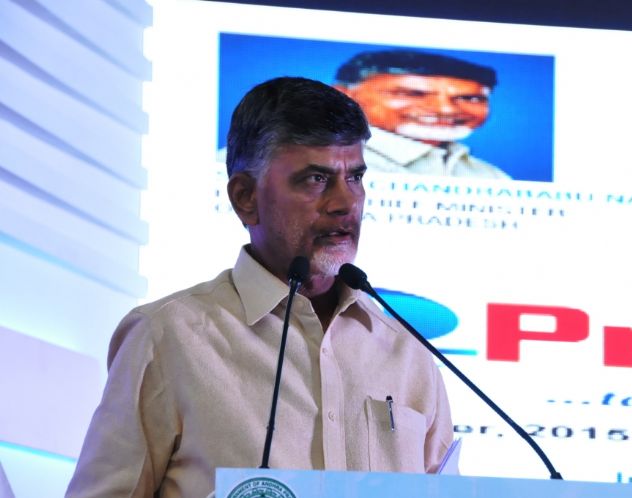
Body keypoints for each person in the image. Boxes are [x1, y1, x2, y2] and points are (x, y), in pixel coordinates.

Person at [65, 77, 453, 498]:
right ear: (245, 197)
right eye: (316, 179)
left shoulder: (407, 352)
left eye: (355, 177)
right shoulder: (167, 336)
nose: (346, 203)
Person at [334, 49, 511, 179]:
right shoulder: (326, 163)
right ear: (343, 95)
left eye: (469, 98)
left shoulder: (490, 175)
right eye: (413, 94)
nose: (446, 110)